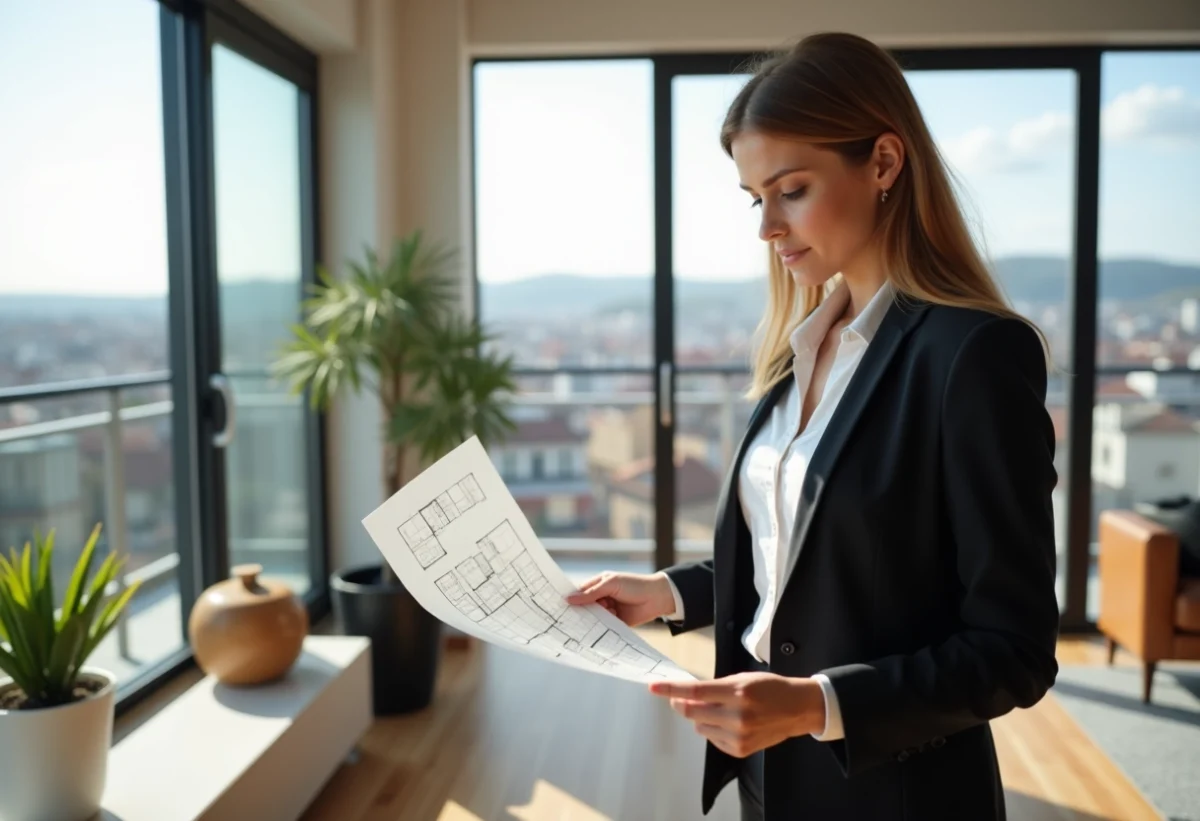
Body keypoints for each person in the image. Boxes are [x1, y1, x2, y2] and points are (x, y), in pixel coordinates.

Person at [566, 31, 1060, 821]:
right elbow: (806, 553)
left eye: (790, 189)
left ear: (885, 164)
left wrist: (813, 704)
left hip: (897, 794)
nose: (766, 226)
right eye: (754, 197)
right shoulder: (804, 346)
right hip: (771, 773)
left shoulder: (974, 356)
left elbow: (1015, 651)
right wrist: (665, 591)